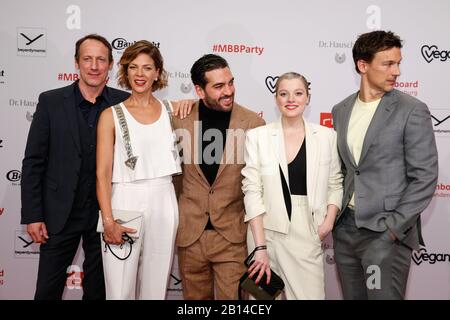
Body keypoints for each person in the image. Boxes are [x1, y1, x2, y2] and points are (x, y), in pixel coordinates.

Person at [20, 34, 130, 300]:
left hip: (105, 214)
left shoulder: (124, 104)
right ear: (76, 63)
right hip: (59, 214)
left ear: (110, 64)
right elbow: (33, 161)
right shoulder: (50, 101)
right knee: (47, 291)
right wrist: (33, 215)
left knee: (99, 292)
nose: (94, 66)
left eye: (101, 60)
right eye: (87, 59)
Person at [331, 30, 438, 300]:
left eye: (398, 63)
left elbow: (424, 178)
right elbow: (346, 170)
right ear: (362, 66)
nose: (397, 71)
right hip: (345, 232)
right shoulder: (341, 110)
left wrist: (391, 231)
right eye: (388, 64)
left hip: (385, 235)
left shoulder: (411, 109)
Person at [241, 72, 343, 299]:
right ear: (276, 98)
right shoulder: (258, 136)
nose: (291, 99)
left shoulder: (327, 137)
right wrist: (260, 247)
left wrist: (328, 222)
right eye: (284, 94)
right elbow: (252, 190)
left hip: (308, 230)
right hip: (264, 230)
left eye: (298, 93)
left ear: (308, 97)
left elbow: (335, 183)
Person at [172, 54, 265, 299]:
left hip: (232, 237)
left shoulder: (253, 123)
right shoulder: (178, 118)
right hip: (190, 235)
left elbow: (259, 184)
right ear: (199, 90)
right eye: (219, 86)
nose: (229, 91)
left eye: (231, 82)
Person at [96, 40, 184, 300]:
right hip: (124, 199)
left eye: (147, 68)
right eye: (133, 67)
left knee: (156, 287)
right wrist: (108, 220)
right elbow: (102, 173)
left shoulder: (174, 110)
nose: (139, 74)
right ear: (125, 72)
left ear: (157, 72)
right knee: (119, 287)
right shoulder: (110, 115)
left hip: (164, 198)